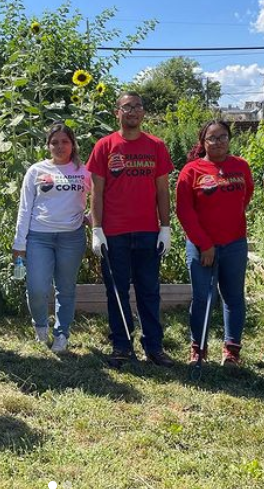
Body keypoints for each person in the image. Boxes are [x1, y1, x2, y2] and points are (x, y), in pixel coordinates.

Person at [87, 91, 174, 368]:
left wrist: (166, 228)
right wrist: (96, 229)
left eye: (137, 106)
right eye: (127, 107)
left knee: (150, 290)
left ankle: (154, 347)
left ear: (143, 112)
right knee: (117, 291)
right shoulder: (104, 146)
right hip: (114, 233)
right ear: (118, 113)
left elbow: (163, 190)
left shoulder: (156, 146)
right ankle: (121, 345)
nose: (133, 111)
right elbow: (96, 193)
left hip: (148, 232)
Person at [176, 120, 254, 367]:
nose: (218, 142)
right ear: (203, 142)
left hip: (234, 244)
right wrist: (204, 244)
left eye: (222, 137)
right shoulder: (191, 171)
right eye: (212, 138)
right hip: (202, 247)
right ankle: (198, 349)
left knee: (233, 297)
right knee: (202, 298)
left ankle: (232, 350)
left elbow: (246, 196)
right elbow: (184, 212)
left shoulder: (240, 166)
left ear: (229, 139)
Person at [13, 123, 91, 353]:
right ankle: (40, 326)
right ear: (47, 145)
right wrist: (19, 243)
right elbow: (24, 208)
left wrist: (90, 218)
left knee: (65, 289)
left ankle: (62, 333)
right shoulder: (36, 171)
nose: (59, 146)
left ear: (73, 144)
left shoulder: (83, 171)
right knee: (37, 288)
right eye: (54, 142)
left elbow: (100, 197)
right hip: (39, 237)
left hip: (72, 238)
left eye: (65, 141)